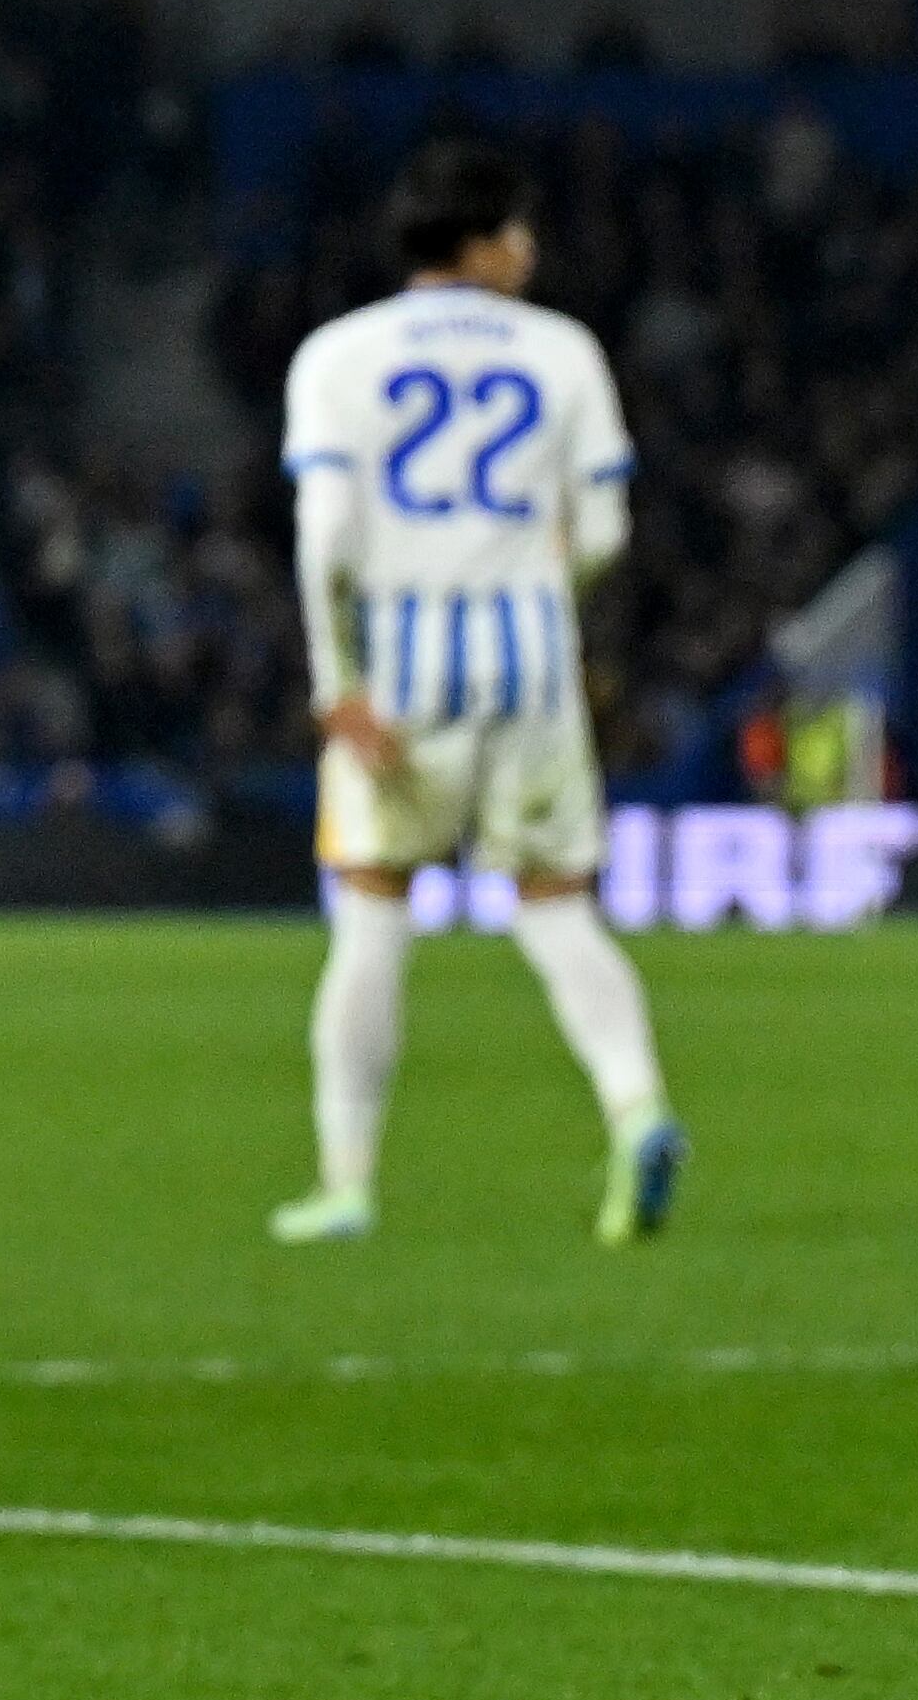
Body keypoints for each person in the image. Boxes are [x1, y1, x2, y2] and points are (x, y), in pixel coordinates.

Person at [265, 136, 684, 1249]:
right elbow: (601, 529)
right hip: (530, 668)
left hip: (398, 675)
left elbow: (324, 535)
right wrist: (544, 585)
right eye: (520, 228)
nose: (531, 248)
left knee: (369, 913)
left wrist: (332, 682)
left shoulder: (335, 356)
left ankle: (346, 1181)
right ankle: (635, 1106)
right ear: (485, 240)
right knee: (556, 907)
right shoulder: (565, 352)